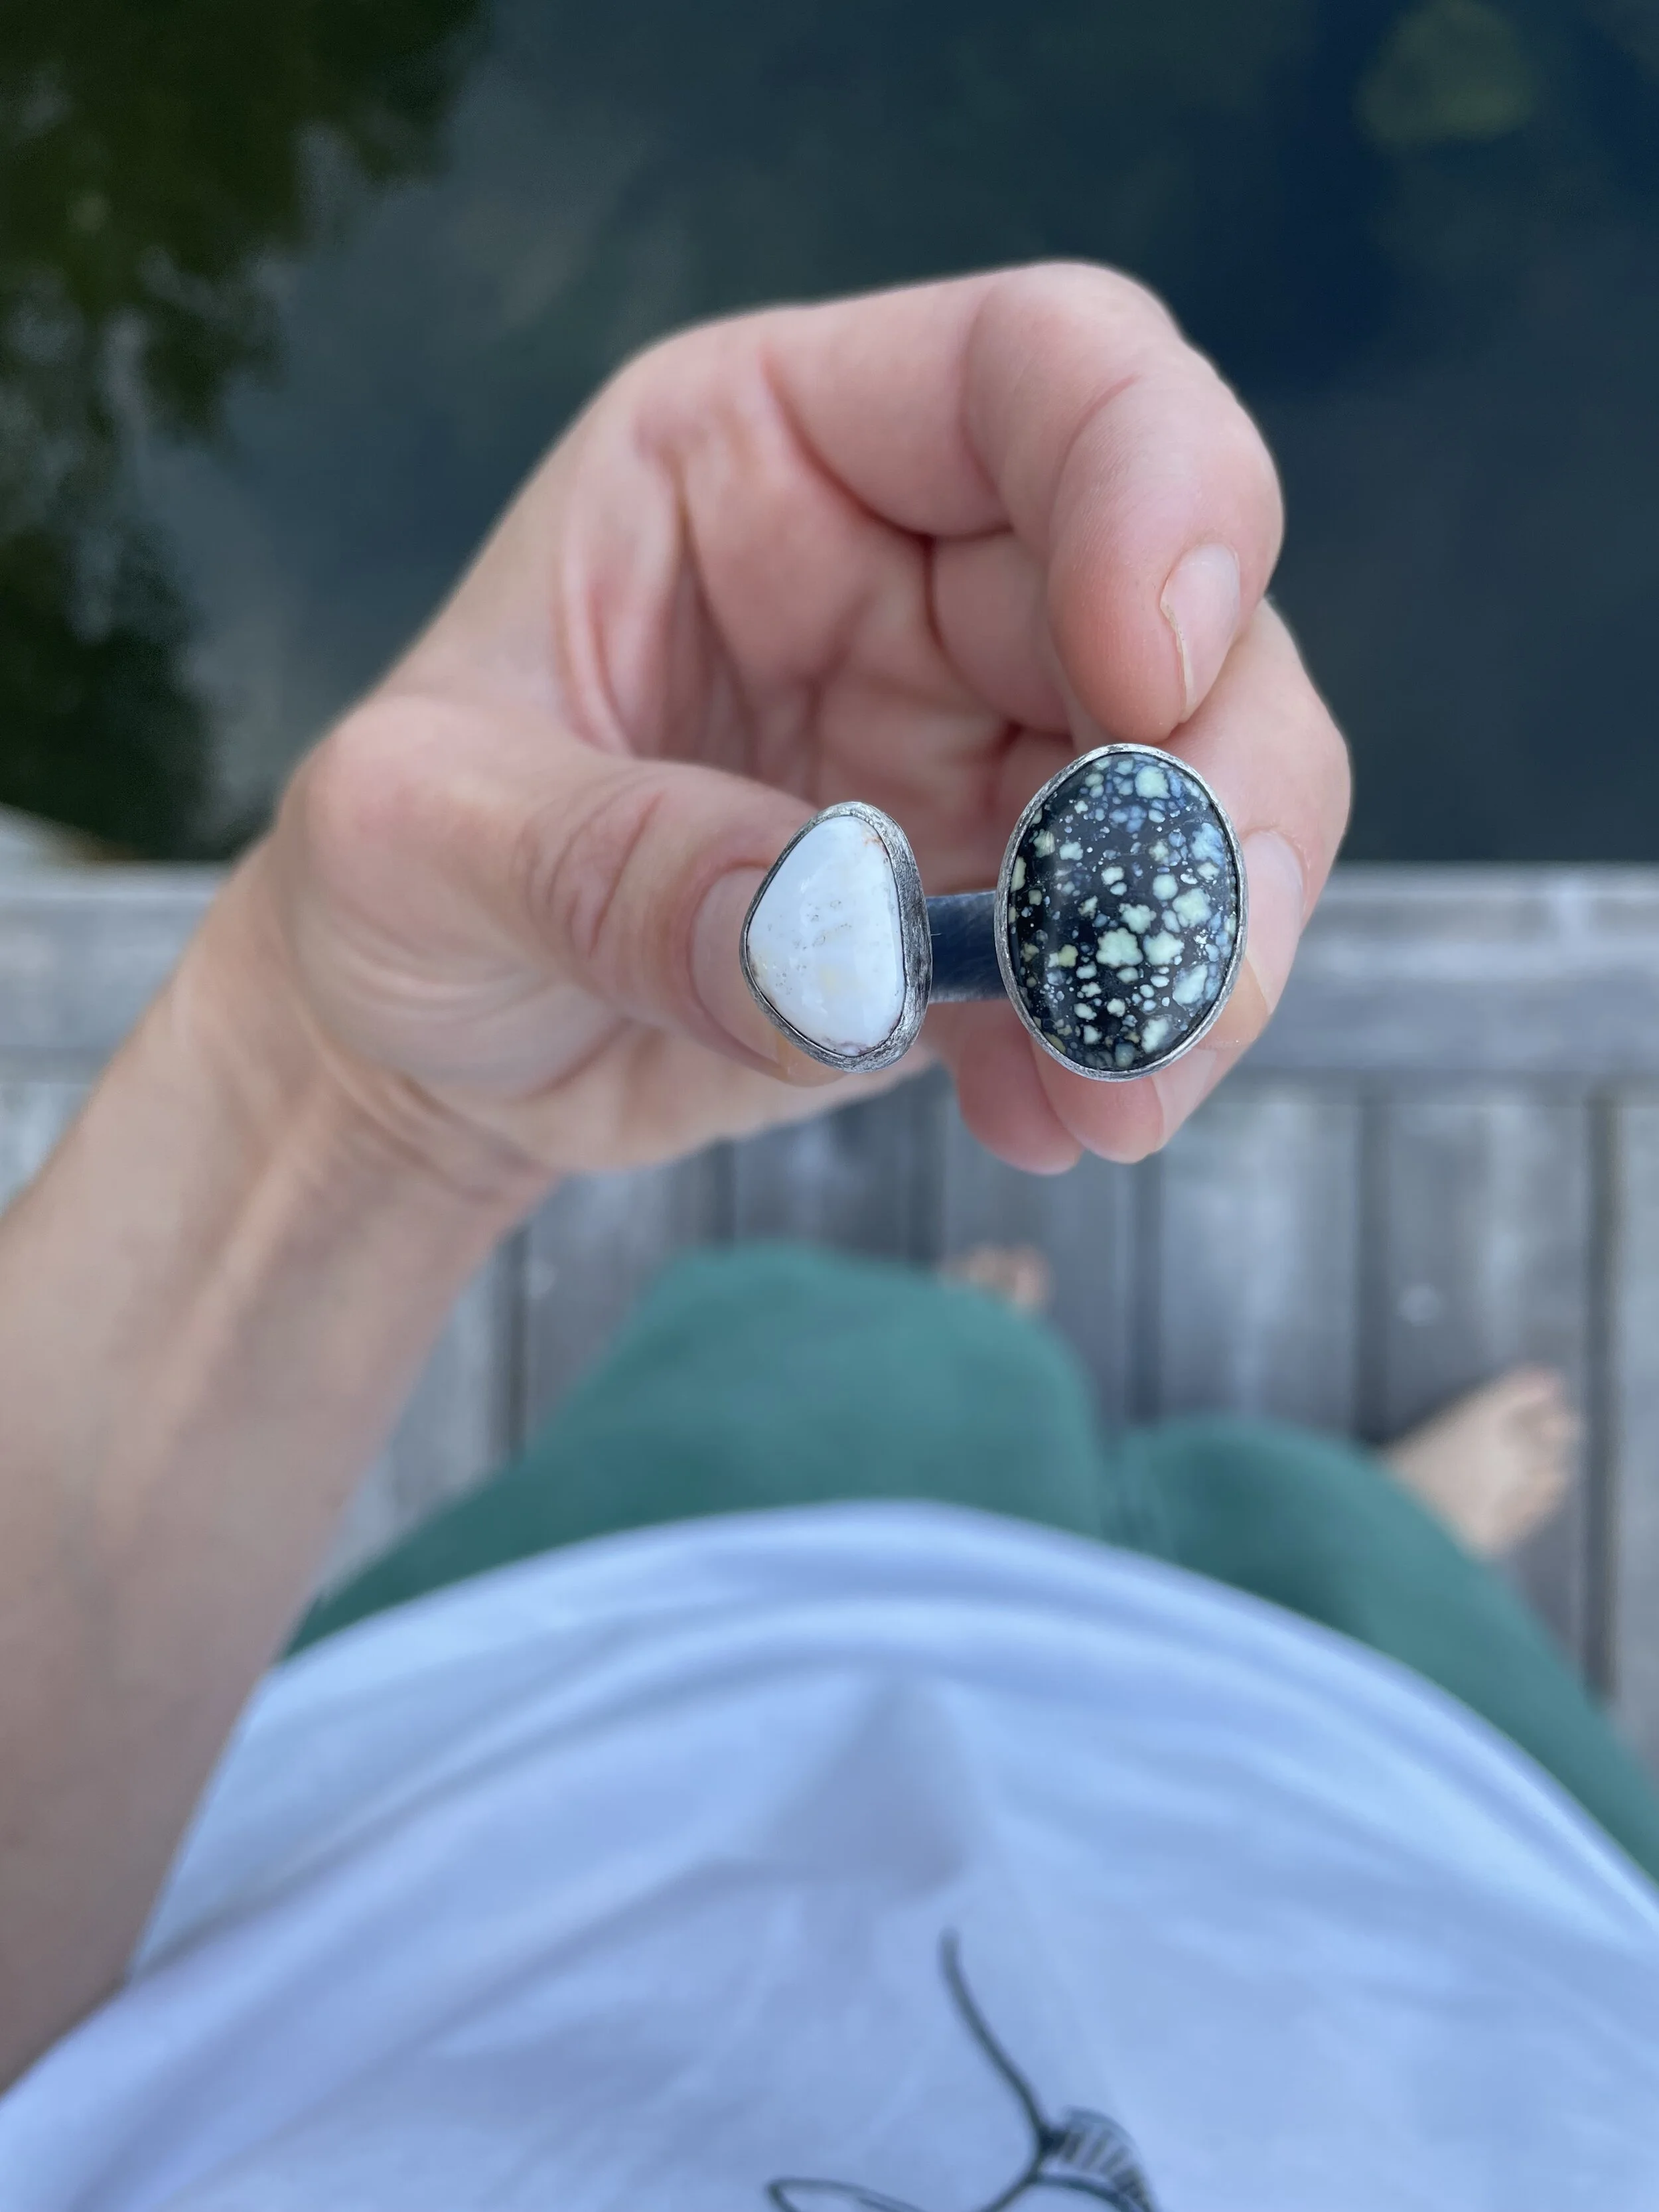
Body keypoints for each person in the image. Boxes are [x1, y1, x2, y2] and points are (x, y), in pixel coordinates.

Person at [0, 265, 1653, 2209]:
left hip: (575, 1657)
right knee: (1341, 1557)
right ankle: (1347, 1535)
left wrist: (337, 1106)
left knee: (846, 1375)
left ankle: (971, 1367)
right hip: (1410, 1795)